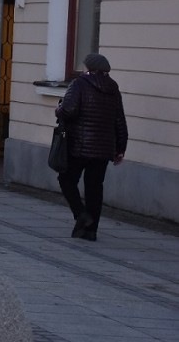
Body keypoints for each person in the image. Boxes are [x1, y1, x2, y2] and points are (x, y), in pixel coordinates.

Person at [55, 53, 128, 242]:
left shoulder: (79, 84)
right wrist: (121, 148)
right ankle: (91, 232)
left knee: (66, 179)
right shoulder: (113, 88)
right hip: (103, 149)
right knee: (94, 187)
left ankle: (81, 214)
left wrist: (58, 109)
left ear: (89, 67)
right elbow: (119, 120)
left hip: (79, 145)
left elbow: (68, 110)